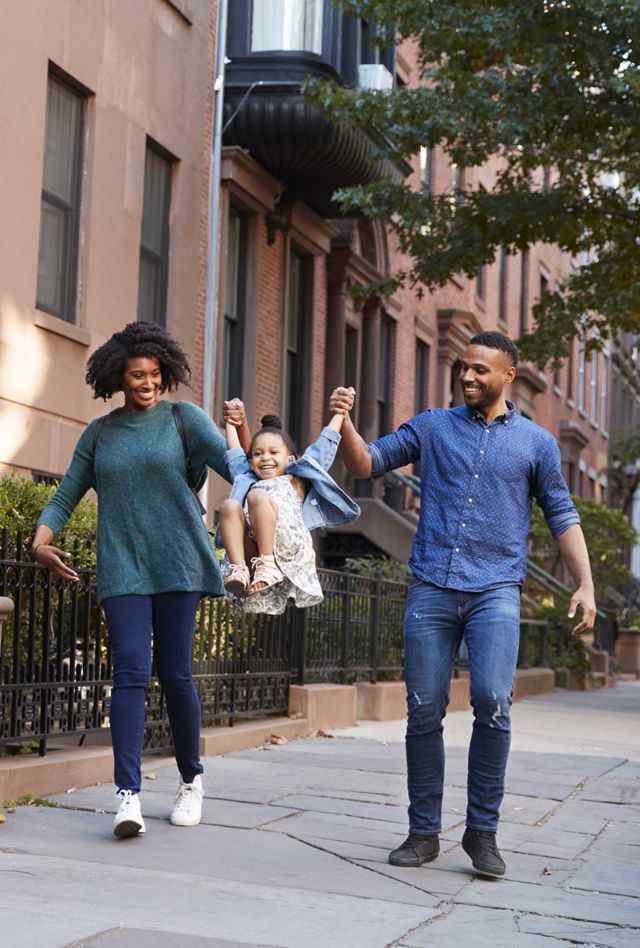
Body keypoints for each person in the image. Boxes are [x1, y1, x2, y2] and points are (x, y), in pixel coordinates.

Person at [330, 331, 596, 878]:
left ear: (506, 377)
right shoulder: (432, 426)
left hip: (496, 589)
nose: (468, 377)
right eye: (464, 368)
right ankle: (423, 833)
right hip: (432, 584)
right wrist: (346, 423)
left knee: (494, 700)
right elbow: (366, 464)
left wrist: (585, 584)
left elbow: (562, 514)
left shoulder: (537, 444)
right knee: (424, 710)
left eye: (480, 370)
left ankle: (482, 833)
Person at [31, 321, 250, 838]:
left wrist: (248, 457)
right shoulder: (101, 433)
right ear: (118, 377)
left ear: (164, 373)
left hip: (179, 563)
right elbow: (66, 494)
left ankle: (191, 781)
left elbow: (237, 467)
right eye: (136, 375)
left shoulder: (184, 420)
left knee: (175, 673)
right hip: (123, 563)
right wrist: (39, 542)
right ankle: (127, 797)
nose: (147, 383)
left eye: (154, 374)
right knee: (129, 670)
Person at [218, 398, 360, 615]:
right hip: (253, 553)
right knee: (229, 506)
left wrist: (340, 413)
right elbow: (234, 454)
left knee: (257, 495)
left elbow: (323, 447)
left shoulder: (296, 477)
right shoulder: (247, 478)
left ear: (290, 458)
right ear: (250, 461)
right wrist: (230, 422)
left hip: (288, 550)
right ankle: (240, 572)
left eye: (273, 452)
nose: (265, 458)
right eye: (258, 454)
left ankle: (268, 564)